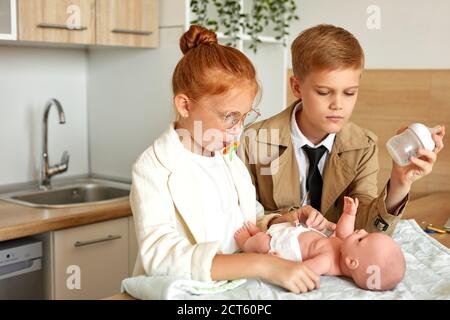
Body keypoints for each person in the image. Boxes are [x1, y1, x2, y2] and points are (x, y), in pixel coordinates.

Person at [129, 25, 336, 294]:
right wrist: (262, 265)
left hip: (236, 289)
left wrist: (284, 220)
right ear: (184, 105)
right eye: (229, 117)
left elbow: (247, 221)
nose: (239, 129)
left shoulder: (226, 158)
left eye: (243, 117)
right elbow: (161, 257)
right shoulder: (153, 168)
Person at [242, 24, 445, 235]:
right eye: (323, 92)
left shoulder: (363, 146)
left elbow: (367, 229)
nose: (338, 104)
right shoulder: (254, 140)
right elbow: (239, 217)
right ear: (296, 88)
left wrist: (400, 183)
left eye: (349, 93)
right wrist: (279, 220)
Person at [234, 197, 406, 291]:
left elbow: (302, 271)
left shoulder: (327, 262)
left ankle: (246, 243)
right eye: (366, 233)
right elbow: (343, 230)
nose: (361, 231)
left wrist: (280, 263)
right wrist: (349, 214)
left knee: (262, 244)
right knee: (276, 229)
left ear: (352, 262)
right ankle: (261, 233)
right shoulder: (345, 245)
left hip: (284, 246)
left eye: (362, 239)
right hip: (293, 230)